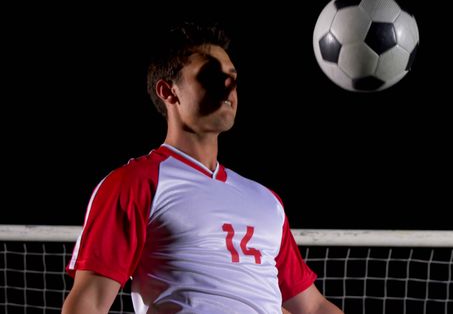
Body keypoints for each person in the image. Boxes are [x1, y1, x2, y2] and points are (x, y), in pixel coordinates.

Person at [62, 21, 344, 314]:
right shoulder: (135, 183)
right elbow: (89, 303)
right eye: (211, 74)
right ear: (169, 92)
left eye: (233, 76)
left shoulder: (266, 201)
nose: (229, 84)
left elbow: (312, 307)